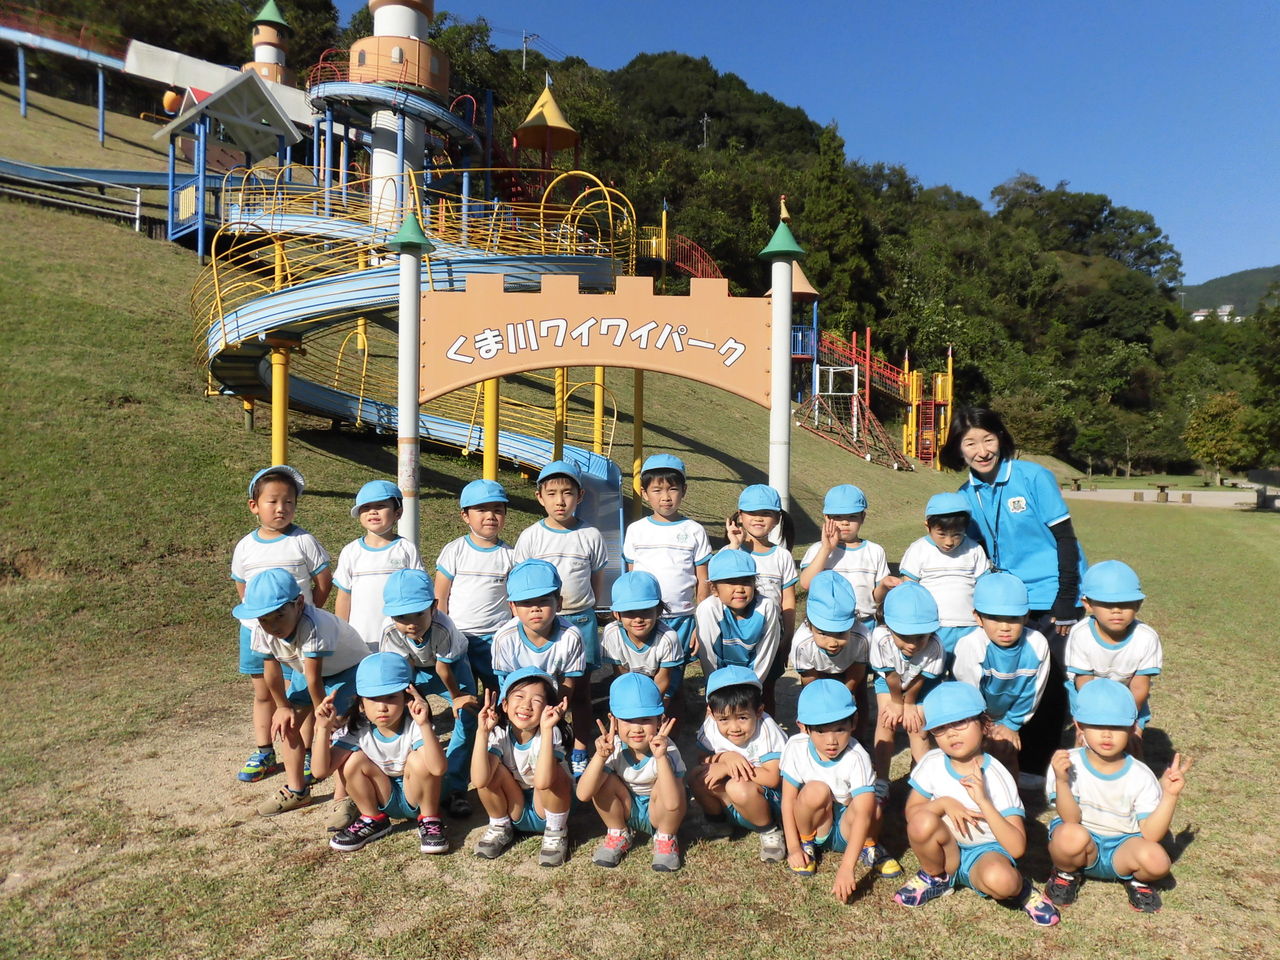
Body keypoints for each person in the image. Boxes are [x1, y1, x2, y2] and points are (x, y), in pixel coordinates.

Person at [939, 406, 1084, 780]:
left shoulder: (1033, 476)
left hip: (1050, 597)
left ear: (1001, 438)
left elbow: (1065, 539)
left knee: (1050, 683)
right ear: (958, 448)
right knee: (1013, 678)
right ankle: (1000, 758)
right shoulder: (964, 496)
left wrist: (1067, 598)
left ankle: (1036, 765)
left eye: (988, 439)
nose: (982, 450)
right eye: (970, 443)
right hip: (1004, 603)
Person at [893, 682, 1060, 926]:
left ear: (984, 724)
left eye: (960, 722)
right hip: (946, 849)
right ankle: (936, 877)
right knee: (922, 821)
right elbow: (912, 814)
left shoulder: (997, 775)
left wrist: (983, 800)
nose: (951, 733)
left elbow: (1016, 847)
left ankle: (1022, 890)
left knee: (1004, 882)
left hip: (987, 851)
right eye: (940, 728)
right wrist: (944, 804)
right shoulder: (932, 763)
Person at [1044, 679, 1190, 913]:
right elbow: (1070, 819)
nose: (1107, 735)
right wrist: (1061, 781)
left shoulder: (1141, 775)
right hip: (1083, 842)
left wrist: (1170, 796)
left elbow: (1151, 834)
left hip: (1123, 847)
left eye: (1117, 727)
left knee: (1158, 862)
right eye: (1097, 726)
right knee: (1068, 835)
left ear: (1132, 729)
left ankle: (1136, 881)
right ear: (1080, 726)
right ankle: (1066, 873)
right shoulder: (1069, 762)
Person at [233, 568, 368, 817]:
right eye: (265, 619)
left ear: (299, 603)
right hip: (306, 671)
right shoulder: (262, 629)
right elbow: (271, 669)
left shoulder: (314, 625)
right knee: (289, 723)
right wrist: (282, 707)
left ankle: (344, 796)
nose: (273, 625)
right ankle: (297, 790)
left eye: (279, 615)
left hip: (349, 671)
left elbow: (315, 679)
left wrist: (322, 716)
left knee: (338, 729)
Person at [230, 466, 331, 784]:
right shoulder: (245, 546)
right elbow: (242, 586)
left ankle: (304, 752)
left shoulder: (303, 541)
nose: (281, 508)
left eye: (288, 502)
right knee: (263, 692)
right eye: (272, 501)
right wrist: (257, 618)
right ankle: (265, 751)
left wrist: (306, 615)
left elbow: (323, 581)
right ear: (254, 506)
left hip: (297, 635)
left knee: (298, 694)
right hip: (254, 631)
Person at [513, 460, 608, 776]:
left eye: (567, 493)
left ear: (580, 496)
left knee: (580, 691)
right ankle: (542, 745)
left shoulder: (590, 535)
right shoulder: (531, 537)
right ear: (539, 497)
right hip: (540, 624)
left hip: (580, 621)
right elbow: (520, 580)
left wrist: (589, 610)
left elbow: (595, 579)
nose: (560, 500)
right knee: (540, 688)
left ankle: (580, 749)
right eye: (552, 493)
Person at [311, 652, 448, 854]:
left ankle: (430, 819)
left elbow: (438, 769)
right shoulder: (358, 728)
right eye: (373, 699)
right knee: (352, 761)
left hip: (419, 795)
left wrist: (425, 724)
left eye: (391, 697)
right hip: (385, 795)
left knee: (418, 759)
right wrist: (323, 729)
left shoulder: (415, 726)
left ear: (407, 698)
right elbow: (319, 772)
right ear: (361, 704)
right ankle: (373, 819)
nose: (382, 707)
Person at [378, 568, 479, 819]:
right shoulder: (389, 632)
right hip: (414, 669)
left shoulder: (443, 626)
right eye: (402, 616)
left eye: (418, 613)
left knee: (467, 716)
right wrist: (414, 698)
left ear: (433, 607)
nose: (411, 623)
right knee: (408, 715)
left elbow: (444, 668)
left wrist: (456, 698)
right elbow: (402, 670)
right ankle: (415, 778)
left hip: (452, 667)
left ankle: (455, 787)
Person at [621, 454, 712, 701]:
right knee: (643, 672)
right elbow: (631, 578)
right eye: (657, 490)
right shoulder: (636, 530)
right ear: (643, 492)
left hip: (682, 618)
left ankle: (672, 723)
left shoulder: (694, 530)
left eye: (672, 489)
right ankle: (641, 717)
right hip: (644, 617)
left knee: (673, 678)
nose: (666, 497)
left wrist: (700, 622)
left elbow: (703, 581)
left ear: (684, 490)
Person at [779, 680, 879, 902]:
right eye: (820, 731)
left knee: (873, 806)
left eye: (840, 729)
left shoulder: (857, 757)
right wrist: (793, 847)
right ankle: (807, 842)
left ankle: (867, 845)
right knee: (815, 789)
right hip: (817, 824)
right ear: (803, 727)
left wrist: (846, 867)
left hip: (847, 827)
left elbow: (863, 813)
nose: (831, 741)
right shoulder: (795, 747)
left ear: (854, 722)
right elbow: (788, 800)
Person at [577, 673, 687, 872]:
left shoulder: (667, 749)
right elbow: (583, 794)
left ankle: (666, 837)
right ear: (613, 720)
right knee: (602, 780)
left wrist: (661, 757)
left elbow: (673, 804)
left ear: (660, 720)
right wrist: (600, 757)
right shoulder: (614, 747)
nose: (637, 728)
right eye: (628, 720)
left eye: (645, 719)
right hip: (628, 806)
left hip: (661, 811)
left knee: (667, 782)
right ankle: (618, 832)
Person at [490, 559, 589, 771]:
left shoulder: (571, 636)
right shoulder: (504, 638)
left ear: (559, 602)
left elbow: (569, 683)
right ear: (512, 607)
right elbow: (505, 685)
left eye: (544, 600)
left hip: (552, 700)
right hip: (519, 702)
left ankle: (579, 751)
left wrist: (555, 713)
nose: (535, 608)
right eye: (526, 602)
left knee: (582, 697)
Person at [470, 667, 574, 867]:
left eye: (537, 700)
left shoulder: (551, 733)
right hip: (514, 807)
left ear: (548, 709)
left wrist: (546, 728)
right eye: (519, 696)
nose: (526, 705)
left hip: (548, 808)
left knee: (556, 772)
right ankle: (500, 826)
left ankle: (556, 831)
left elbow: (543, 782)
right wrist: (482, 733)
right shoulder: (499, 732)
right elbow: (479, 780)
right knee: (491, 769)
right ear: (505, 705)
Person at [952, 572, 1050, 783]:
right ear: (978, 617)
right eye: (995, 618)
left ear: (1026, 616)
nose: (1005, 627)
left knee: (1007, 750)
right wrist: (982, 725)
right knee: (974, 757)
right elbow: (968, 693)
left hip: (1009, 714)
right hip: (972, 714)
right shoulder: (971, 645)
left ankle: (1011, 798)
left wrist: (1011, 724)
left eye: (1013, 618)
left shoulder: (1037, 644)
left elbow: (1033, 691)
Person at [688, 666, 788, 862]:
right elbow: (702, 757)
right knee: (697, 776)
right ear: (711, 713)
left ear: (759, 711)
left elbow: (772, 778)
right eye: (724, 719)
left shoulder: (767, 730)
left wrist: (727, 768)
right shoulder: (710, 726)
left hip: (770, 799)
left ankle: (770, 830)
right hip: (738, 797)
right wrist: (724, 758)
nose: (734, 727)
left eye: (742, 717)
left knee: (737, 786)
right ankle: (719, 823)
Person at [1065, 561, 1162, 758]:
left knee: (1131, 744)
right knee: (1084, 743)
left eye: (1125, 604)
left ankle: (1136, 776)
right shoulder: (1081, 634)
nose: (1116, 610)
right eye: (1107, 604)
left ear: (1138, 604)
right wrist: (1097, 716)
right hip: (1088, 699)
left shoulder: (1146, 638)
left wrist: (1125, 719)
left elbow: (1139, 687)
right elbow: (1084, 681)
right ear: (1088, 604)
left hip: (1130, 703)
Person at [434, 478, 516, 697]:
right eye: (481, 510)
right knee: (465, 693)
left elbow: (514, 600)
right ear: (465, 515)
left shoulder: (510, 555)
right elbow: (441, 595)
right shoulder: (455, 550)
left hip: (496, 638)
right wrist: (443, 632)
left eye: (497, 510)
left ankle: (497, 718)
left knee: (498, 692)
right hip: (459, 636)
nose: (490, 516)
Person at [724, 484, 797, 715]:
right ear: (740, 516)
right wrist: (734, 545)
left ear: (777, 518)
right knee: (732, 690)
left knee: (766, 690)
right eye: (752, 513)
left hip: (771, 635)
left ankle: (767, 730)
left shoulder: (782, 556)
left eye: (765, 513)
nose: (758, 518)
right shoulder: (730, 552)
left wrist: (787, 637)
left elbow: (788, 601)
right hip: (735, 634)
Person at [895, 492, 988, 669]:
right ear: (927, 526)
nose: (949, 542)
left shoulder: (974, 550)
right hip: (934, 628)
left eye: (957, 535)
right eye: (942, 534)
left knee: (966, 671)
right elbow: (910, 589)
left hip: (970, 626)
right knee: (930, 672)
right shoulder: (919, 550)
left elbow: (984, 585)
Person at [869, 582, 945, 798]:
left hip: (921, 685)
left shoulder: (936, 645)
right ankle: (881, 779)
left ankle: (921, 783)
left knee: (918, 727)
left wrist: (910, 702)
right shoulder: (880, 637)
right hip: (889, 682)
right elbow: (890, 674)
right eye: (905, 636)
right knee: (887, 721)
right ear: (889, 626)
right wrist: (896, 702)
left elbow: (922, 677)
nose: (913, 645)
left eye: (920, 637)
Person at [333, 480, 422, 652]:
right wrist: (341, 632)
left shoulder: (406, 549)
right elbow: (344, 596)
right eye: (366, 507)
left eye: (380, 506)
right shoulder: (351, 551)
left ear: (398, 513)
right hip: (360, 638)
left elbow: (416, 592)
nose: (372, 511)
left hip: (399, 638)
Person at [798, 484, 888, 634]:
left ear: (863, 517)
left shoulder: (875, 551)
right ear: (827, 517)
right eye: (838, 517)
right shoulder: (818, 549)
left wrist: (885, 585)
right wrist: (826, 549)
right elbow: (806, 583)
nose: (845, 522)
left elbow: (877, 598)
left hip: (865, 625)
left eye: (852, 516)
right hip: (827, 627)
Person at [789, 571, 870, 735]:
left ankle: (858, 737)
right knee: (817, 703)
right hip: (818, 672)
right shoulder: (802, 644)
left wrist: (844, 695)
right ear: (809, 624)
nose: (832, 642)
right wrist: (823, 703)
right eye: (823, 633)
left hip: (850, 669)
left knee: (859, 697)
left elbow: (858, 671)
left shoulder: (862, 637)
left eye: (840, 633)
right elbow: (810, 681)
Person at [695, 549, 782, 689]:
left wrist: (752, 686)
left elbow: (765, 654)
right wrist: (717, 688)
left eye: (746, 581)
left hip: (754, 678)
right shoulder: (708, 609)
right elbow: (709, 657)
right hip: (719, 680)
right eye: (731, 582)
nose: (740, 589)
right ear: (714, 588)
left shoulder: (766, 607)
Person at [599, 571, 685, 703]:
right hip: (630, 678)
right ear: (617, 614)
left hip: (663, 680)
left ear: (658, 610)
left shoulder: (668, 638)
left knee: (669, 706)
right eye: (629, 612)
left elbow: (662, 680)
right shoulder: (612, 634)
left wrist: (651, 706)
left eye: (645, 610)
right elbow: (621, 675)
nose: (638, 619)